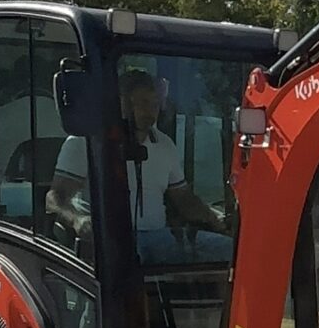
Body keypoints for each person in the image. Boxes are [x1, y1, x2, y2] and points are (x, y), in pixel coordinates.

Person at [49, 67, 231, 262]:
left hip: (161, 238)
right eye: (143, 103)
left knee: (230, 251)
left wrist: (216, 220)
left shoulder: (165, 144)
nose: (150, 111)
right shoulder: (85, 142)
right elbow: (54, 199)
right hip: (110, 241)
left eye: (154, 104)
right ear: (121, 103)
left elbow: (184, 199)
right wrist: (78, 220)